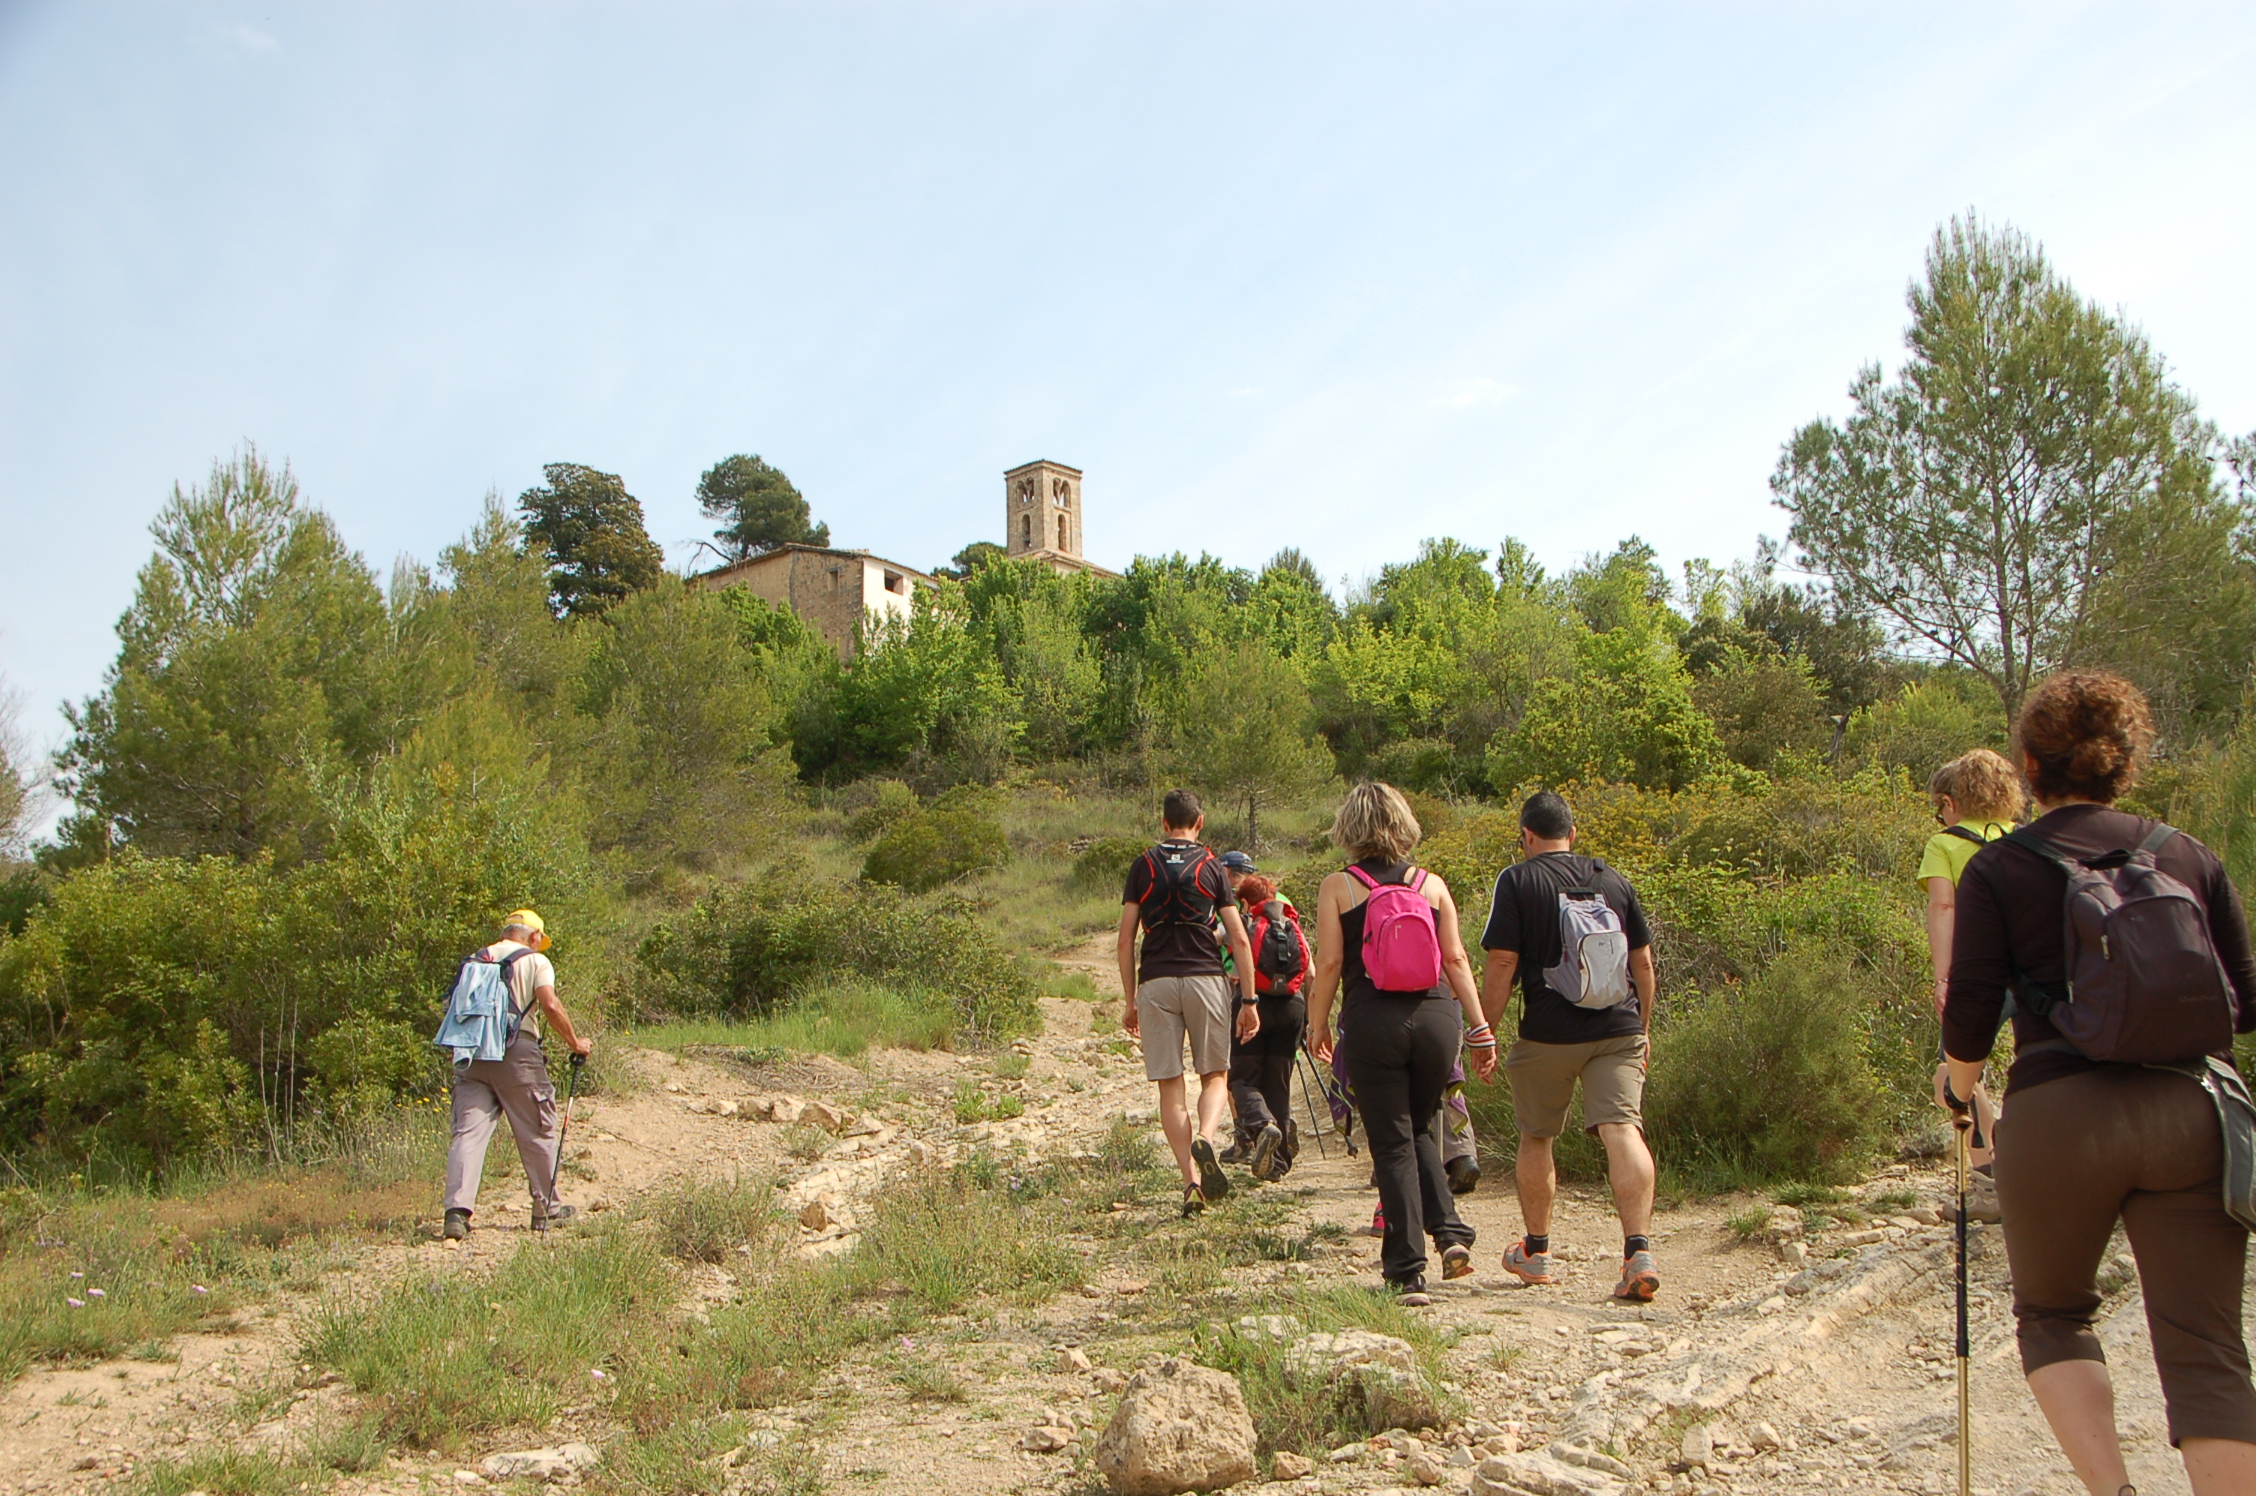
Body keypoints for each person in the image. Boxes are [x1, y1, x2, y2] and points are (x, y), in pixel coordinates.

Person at [1941, 672, 2256, 1496]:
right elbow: (2246, 1002)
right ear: (2125, 761)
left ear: (2029, 765)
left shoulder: (1999, 868)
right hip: (2192, 1112)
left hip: (2061, 1115)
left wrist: (1959, 1087)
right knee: (2207, 1348)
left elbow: (1972, 1010)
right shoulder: (2188, 855)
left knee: (2053, 1315)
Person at [1306, 782, 1498, 1304]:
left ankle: (1406, 1272)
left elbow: (1329, 962)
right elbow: (1456, 960)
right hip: (1437, 1017)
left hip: (1373, 1021)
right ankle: (1451, 1235)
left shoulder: (1338, 886)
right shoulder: (1430, 884)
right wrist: (1480, 1027)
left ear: (1349, 828)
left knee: (1392, 1143)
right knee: (1419, 1128)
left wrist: (1318, 1023)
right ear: (1404, 824)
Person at [1479, 790, 1662, 1303]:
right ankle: (1638, 1254)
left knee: (1537, 1136)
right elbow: (1643, 964)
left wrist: (1484, 1031)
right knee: (1622, 1129)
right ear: (1572, 834)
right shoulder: (1613, 880)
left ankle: (1536, 1253)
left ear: (1526, 835)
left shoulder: (1517, 879)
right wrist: (1643, 1029)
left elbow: (1502, 963)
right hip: (1619, 1029)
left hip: (1548, 1033)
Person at [1120, 790, 1261, 1217]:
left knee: (1170, 1084)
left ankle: (1190, 1182)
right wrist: (1249, 1000)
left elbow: (1125, 939)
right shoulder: (1212, 866)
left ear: (1164, 823)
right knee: (1214, 1074)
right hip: (1205, 978)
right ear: (1200, 822)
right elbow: (1239, 939)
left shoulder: (1143, 865)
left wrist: (1130, 1000)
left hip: (1156, 981)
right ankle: (1206, 1136)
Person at [444, 910, 593, 1240]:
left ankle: (456, 1213)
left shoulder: (475, 960)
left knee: (468, 1133)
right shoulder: (535, 961)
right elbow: (550, 1005)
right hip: (517, 1053)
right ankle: (547, 1210)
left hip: (472, 1055)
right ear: (534, 937)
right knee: (537, 1129)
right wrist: (575, 1042)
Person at [1919, 747, 2024, 1214]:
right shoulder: (2025, 838)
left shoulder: (1945, 844)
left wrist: (1943, 977)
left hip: (1976, 972)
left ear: (1951, 801)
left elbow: (1944, 907)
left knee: (1955, 1072)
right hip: (2031, 974)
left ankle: (1986, 1177)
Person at [1224, 870, 1308, 1181]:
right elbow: (1311, 973)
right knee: (1278, 1086)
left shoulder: (1244, 924)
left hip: (1254, 1005)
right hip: (1293, 1007)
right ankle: (1278, 1165)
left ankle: (1262, 1126)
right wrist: (1309, 1022)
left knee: (1242, 1079)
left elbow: (1225, 950)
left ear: (1246, 903)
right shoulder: (1292, 925)